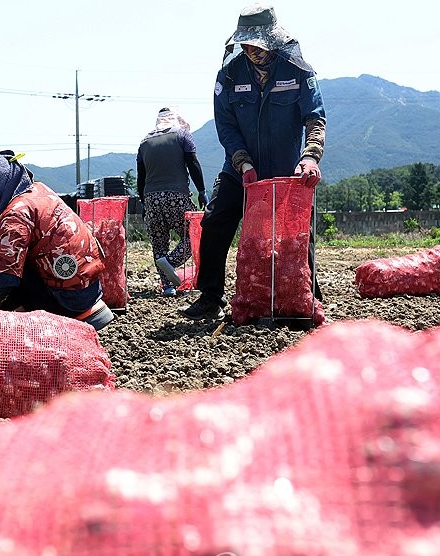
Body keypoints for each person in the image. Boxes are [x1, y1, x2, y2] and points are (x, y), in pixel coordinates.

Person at [180, 3, 325, 320]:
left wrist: (310, 157)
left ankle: (307, 296)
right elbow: (226, 127)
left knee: (299, 234)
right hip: (240, 169)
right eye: (245, 43)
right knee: (215, 222)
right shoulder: (229, 76)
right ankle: (210, 296)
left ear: (272, 40)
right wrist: (243, 162)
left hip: (288, 172)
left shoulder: (299, 72)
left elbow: (315, 119)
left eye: (256, 43)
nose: (250, 49)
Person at [0, 150, 114, 331]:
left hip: (65, 302)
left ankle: (26, 324)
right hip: (88, 291)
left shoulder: (15, 216)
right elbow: (5, 244)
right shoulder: (38, 191)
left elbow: (4, 280)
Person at [137, 106, 208, 297]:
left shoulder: (144, 142)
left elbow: (140, 178)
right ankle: (172, 262)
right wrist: (201, 191)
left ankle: (168, 287)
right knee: (194, 234)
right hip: (176, 195)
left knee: (159, 242)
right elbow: (193, 163)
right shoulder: (183, 135)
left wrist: (145, 203)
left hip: (151, 198)